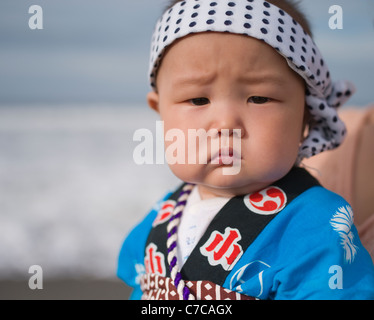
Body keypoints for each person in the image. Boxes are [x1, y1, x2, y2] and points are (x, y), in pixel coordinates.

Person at [118, 0, 374, 300]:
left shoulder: (317, 225)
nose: (226, 123)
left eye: (258, 98)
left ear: (306, 116)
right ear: (159, 110)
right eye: (198, 100)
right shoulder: (163, 215)